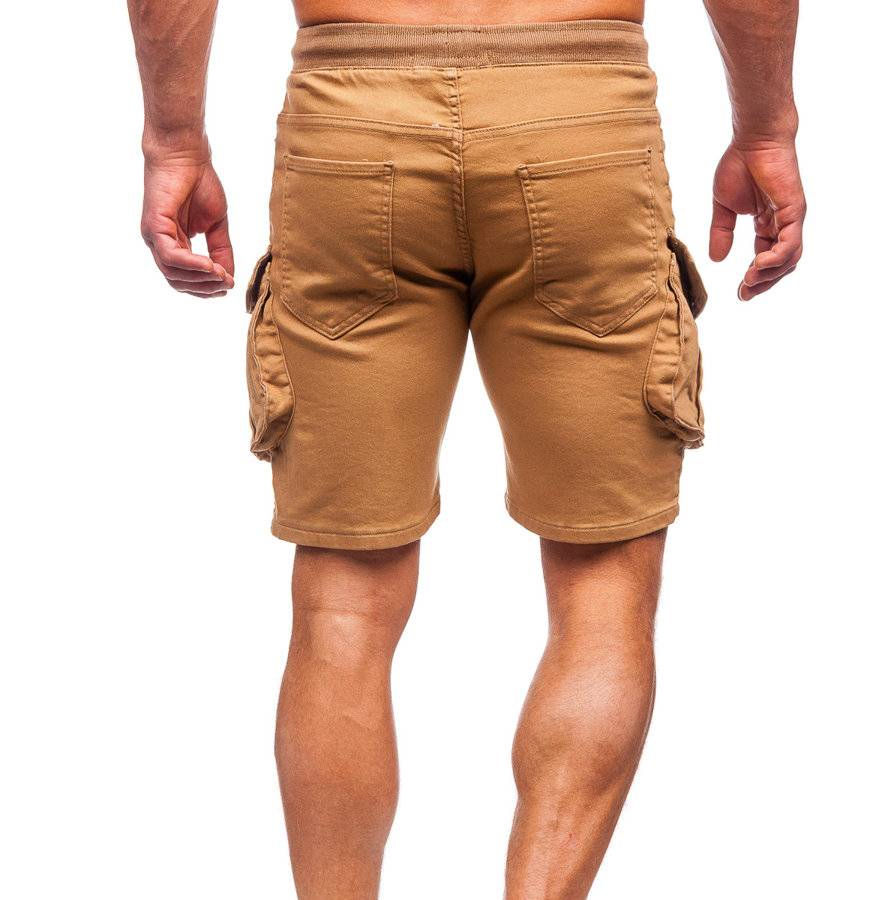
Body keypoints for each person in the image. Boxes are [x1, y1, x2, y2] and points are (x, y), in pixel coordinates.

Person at [128, 1, 805, 896]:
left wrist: (174, 141)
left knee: (343, 603)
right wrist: (766, 127)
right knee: (601, 584)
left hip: (352, 121)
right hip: (578, 117)